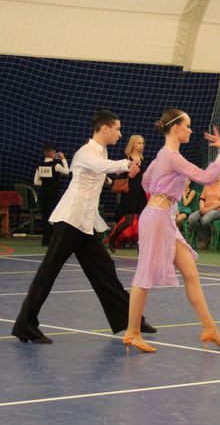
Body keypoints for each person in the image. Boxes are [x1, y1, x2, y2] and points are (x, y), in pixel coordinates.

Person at [12, 110, 155, 345]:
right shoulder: (86, 152)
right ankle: (25, 325)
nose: (120, 134)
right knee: (48, 272)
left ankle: (132, 321)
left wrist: (114, 173)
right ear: (105, 129)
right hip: (70, 221)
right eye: (117, 129)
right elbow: (99, 166)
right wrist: (126, 163)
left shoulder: (102, 151)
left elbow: (98, 172)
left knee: (105, 270)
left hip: (85, 224)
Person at [121, 108, 220, 353]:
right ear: (176, 128)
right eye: (188, 125)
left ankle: (210, 328)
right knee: (144, 275)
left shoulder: (163, 155)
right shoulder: (171, 156)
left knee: (191, 272)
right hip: (159, 219)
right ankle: (132, 331)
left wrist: (165, 195)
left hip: (164, 218)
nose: (191, 130)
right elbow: (205, 176)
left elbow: (146, 181)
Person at [108, 134, 148, 252]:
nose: (141, 145)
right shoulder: (126, 157)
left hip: (141, 191)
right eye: (139, 143)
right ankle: (113, 238)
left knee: (142, 219)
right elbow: (118, 171)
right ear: (133, 144)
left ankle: (141, 246)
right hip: (129, 191)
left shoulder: (142, 158)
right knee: (129, 220)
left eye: (142, 143)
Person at [33, 142, 70, 246]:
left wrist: (46, 182)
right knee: (53, 217)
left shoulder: (40, 166)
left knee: (45, 216)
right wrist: (63, 159)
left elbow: (36, 182)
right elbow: (67, 172)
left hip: (43, 194)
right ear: (53, 153)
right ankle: (53, 240)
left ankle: (45, 240)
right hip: (53, 194)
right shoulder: (56, 165)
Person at [187, 177, 220, 250]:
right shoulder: (207, 185)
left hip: (218, 210)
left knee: (204, 220)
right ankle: (205, 237)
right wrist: (202, 208)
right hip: (205, 209)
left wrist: (208, 209)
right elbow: (202, 199)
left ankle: (206, 237)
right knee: (191, 219)